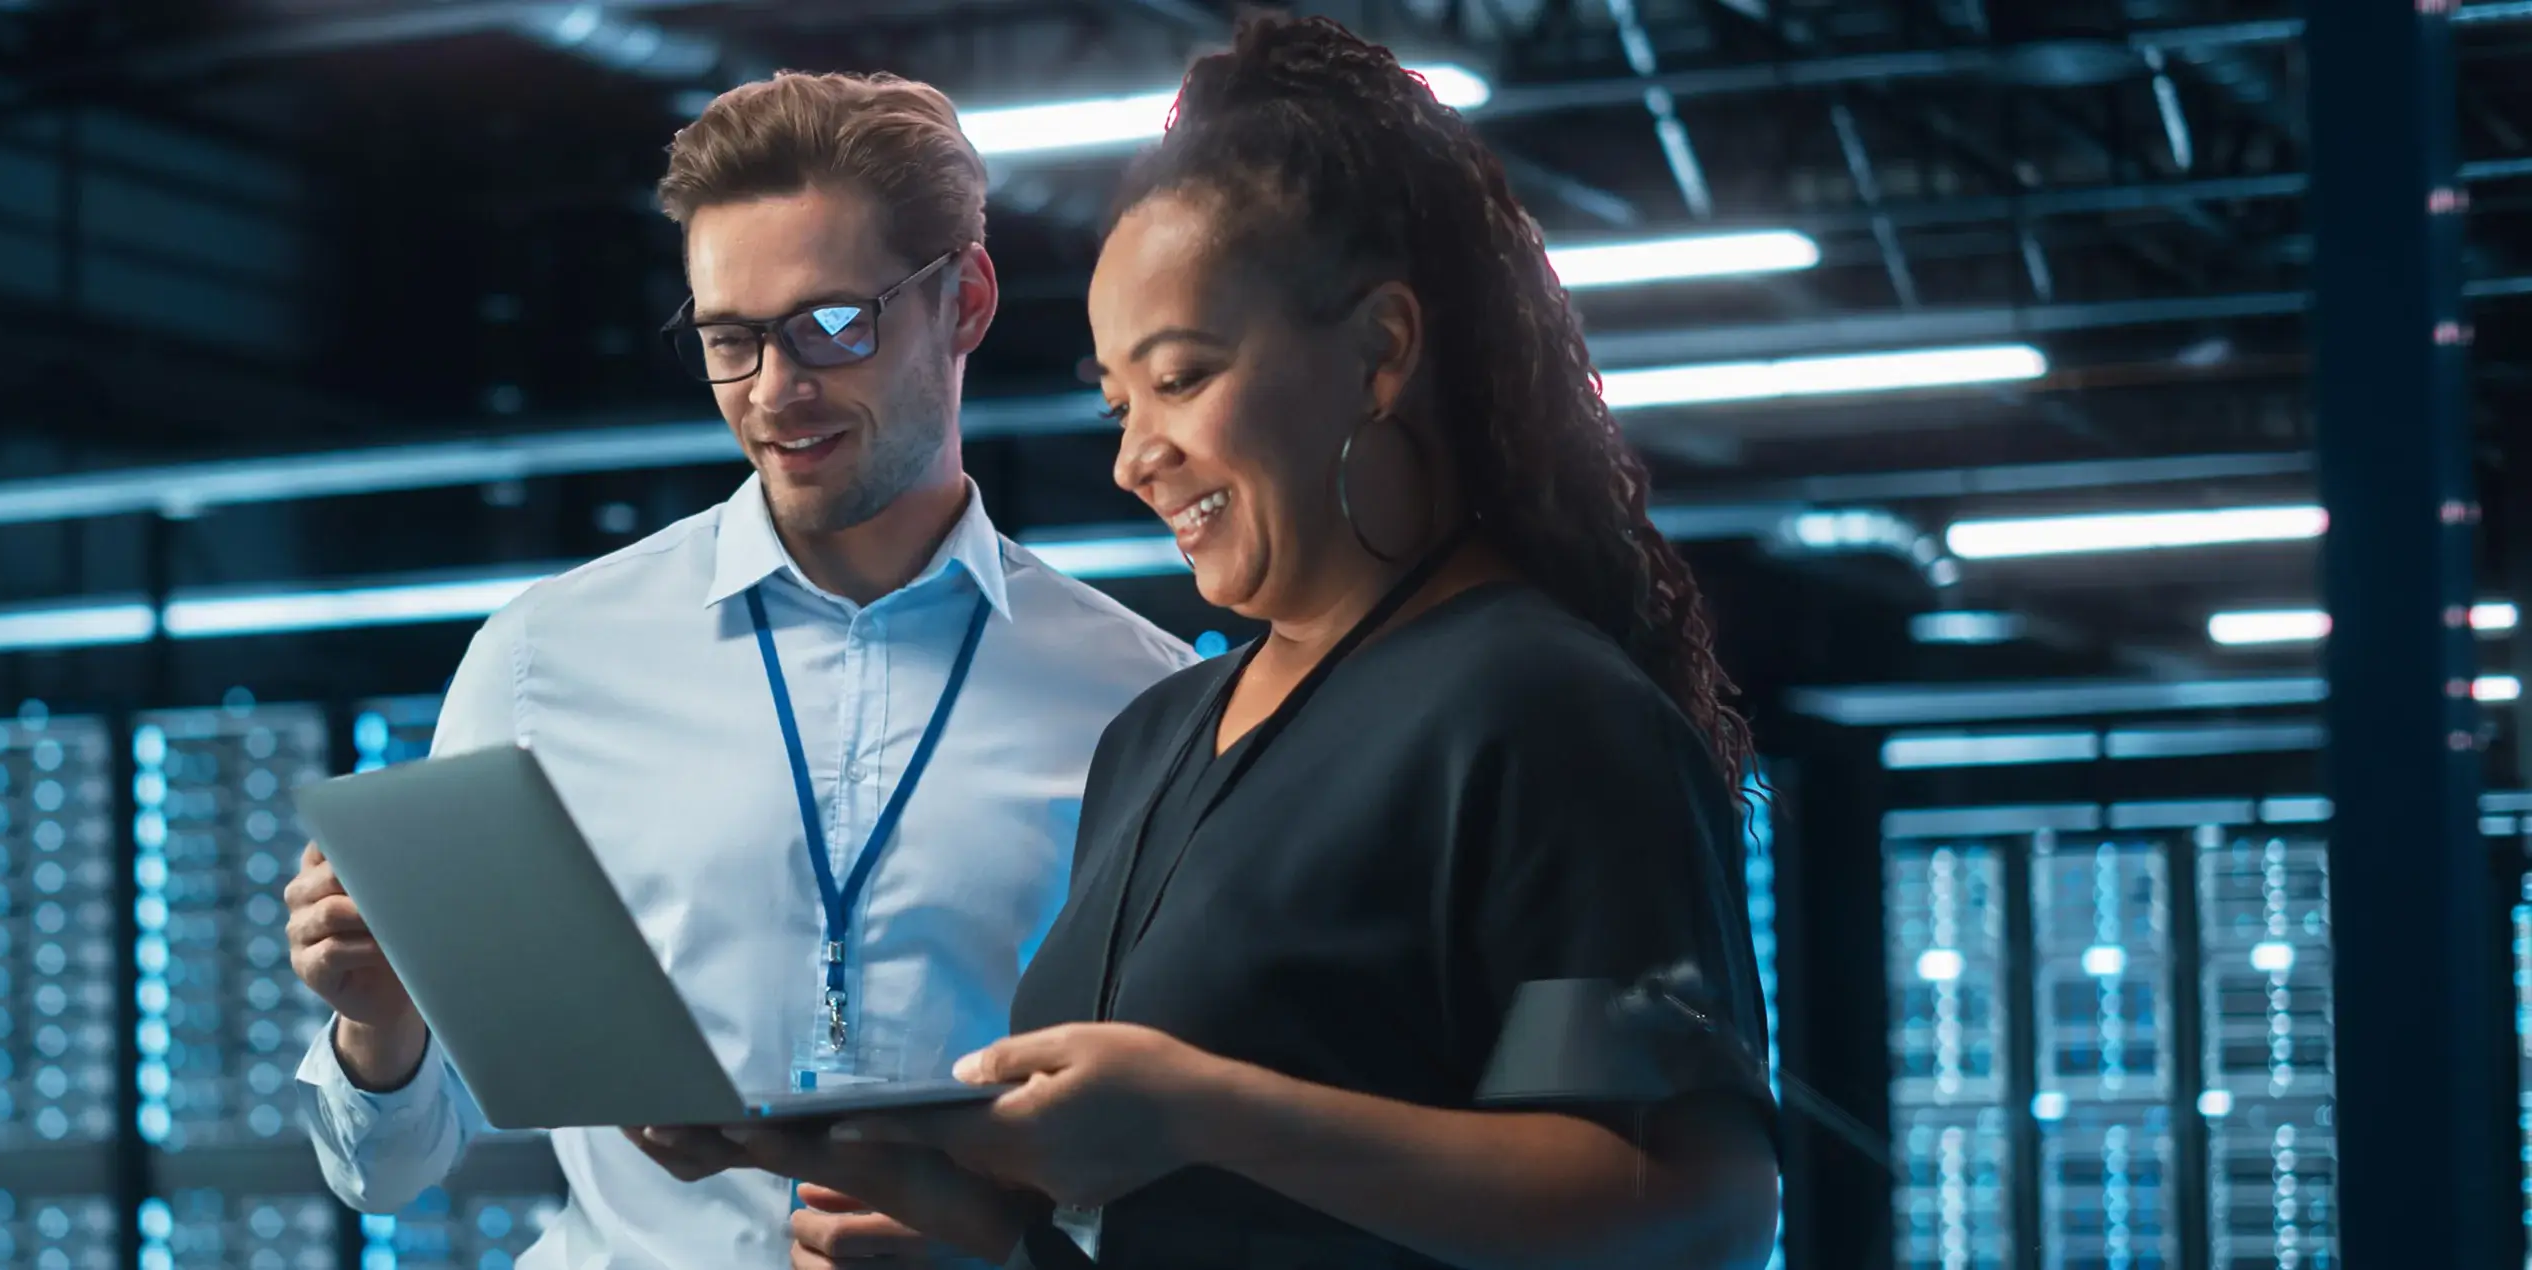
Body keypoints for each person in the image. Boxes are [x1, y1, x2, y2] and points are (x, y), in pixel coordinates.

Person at [677, 15, 1785, 1269]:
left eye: (1184, 376)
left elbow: (1700, 1208)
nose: (1133, 454)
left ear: (1378, 351)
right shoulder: (1156, 735)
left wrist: (1203, 1110)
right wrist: (963, 1231)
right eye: (1116, 400)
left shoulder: (1538, 709)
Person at [285, 69, 1200, 1269]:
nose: (774, 391)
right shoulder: (541, 662)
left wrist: (1010, 1241)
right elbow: (387, 1168)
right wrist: (379, 1022)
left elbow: (1184, 1162)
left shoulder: (1150, 701)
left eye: (829, 324)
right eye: (729, 340)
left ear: (964, 300)